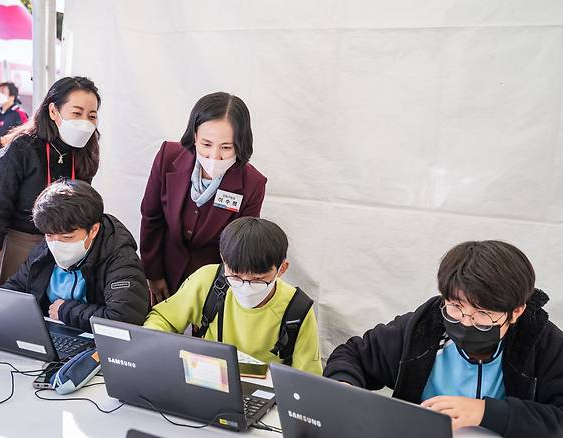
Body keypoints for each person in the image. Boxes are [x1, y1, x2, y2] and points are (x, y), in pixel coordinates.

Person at [323, 240, 563, 438]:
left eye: (483, 314)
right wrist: (344, 388)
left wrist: (487, 412)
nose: (466, 322)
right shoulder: (423, 329)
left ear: (516, 311)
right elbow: (353, 355)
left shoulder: (543, 343)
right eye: (456, 307)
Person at [144, 217, 322, 375]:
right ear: (223, 259)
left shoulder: (297, 309)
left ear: (282, 269)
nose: (246, 287)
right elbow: (163, 318)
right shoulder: (208, 281)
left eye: (258, 280)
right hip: (207, 379)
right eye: (236, 276)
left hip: (267, 397)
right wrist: (154, 346)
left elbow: (308, 379)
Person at [0, 76, 101, 286]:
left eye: (92, 116)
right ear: (53, 112)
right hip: (14, 249)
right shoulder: (23, 147)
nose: (85, 122)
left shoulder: (86, 153)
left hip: (59, 255)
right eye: (77, 113)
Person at [140, 92, 267, 305]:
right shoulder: (168, 156)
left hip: (213, 284)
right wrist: (153, 274)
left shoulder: (253, 184)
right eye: (206, 144)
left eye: (226, 147)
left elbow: (237, 249)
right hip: (163, 269)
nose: (214, 156)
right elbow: (151, 218)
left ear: (240, 144)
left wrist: (212, 296)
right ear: (194, 136)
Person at [2, 180, 149, 331]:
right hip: (53, 334)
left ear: (93, 230)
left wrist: (66, 311)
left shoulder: (120, 259)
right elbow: (17, 286)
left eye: (67, 238)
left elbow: (125, 318)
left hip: (97, 342)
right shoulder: (46, 248)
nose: (56, 244)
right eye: (50, 235)